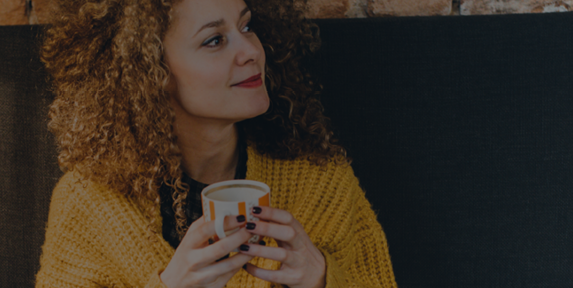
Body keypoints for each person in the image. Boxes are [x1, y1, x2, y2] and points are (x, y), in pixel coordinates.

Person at [33, 0, 397, 287]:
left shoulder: (320, 179)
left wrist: (321, 279)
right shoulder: (89, 204)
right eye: (214, 40)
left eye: (246, 26)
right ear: (150, 72)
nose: (251, 51)